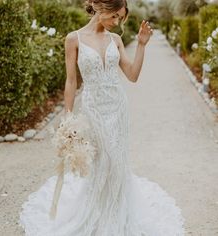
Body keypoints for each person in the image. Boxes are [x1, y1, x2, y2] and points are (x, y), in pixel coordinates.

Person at [19, 0, 186, 235]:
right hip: (93, 110)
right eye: (115, 16)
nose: (116, 22)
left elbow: (132, 75)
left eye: (120, 18)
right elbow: (71, 80)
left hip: (118, 109)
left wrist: (141, 45)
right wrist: (68, 118)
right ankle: (96, 215)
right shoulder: (73, 39)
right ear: (100, 7)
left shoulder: (115, 40)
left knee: (117, 162)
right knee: (102, 163)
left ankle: (118, 215)